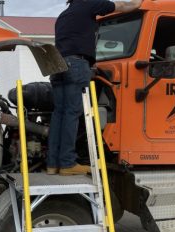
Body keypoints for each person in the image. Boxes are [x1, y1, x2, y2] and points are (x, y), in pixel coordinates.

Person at [47, 0, 143, 175]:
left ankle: (53, 164)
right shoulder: (89, 4)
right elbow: (123, 6)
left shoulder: (63, 16)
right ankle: (68, 163)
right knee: (72, 113)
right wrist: (140, 2)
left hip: (57, 66)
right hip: (76, 64)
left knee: (59, 114)